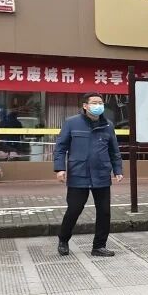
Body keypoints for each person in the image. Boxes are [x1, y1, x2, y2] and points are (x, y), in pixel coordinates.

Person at [53, 92, 123, 257]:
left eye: (100, 103)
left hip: (101, 173)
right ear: (85, 106)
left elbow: (114, 150)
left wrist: (118, 170)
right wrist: (60, 168)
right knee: (74, 209)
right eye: (94, 102)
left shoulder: (108, 125)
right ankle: (63, 240)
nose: (98, 105)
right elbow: (61, 148)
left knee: (104, 212)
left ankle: (99, 246)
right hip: (78, 173)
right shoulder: (72, 123)